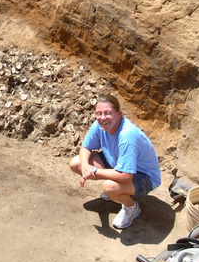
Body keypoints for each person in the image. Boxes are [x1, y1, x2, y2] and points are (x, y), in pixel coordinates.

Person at [69, 94, 161, 229]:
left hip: (144, 176)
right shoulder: (99, 125)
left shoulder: (127, 136)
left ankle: (131, 207)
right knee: (76, 163)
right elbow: (86, 147)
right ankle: (117, 193)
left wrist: (94, 171)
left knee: (110, 187)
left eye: (108, 113)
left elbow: (125, 176)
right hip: (116, 162)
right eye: (98, 113)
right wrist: (86, 167)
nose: (102, 118)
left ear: (119, 114)